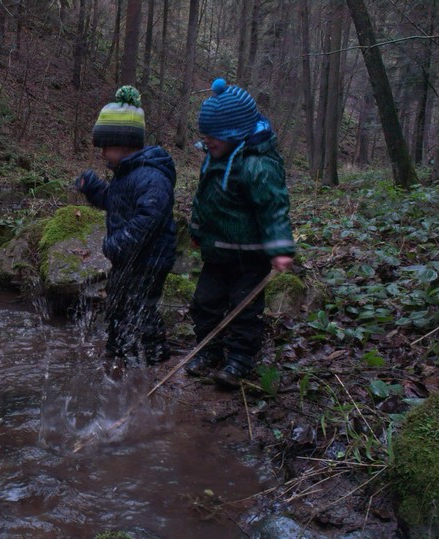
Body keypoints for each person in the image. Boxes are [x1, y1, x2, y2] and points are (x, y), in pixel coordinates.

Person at [185, 78, 295, 388]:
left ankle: (240, 359)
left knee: (244, 309)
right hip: (217, 253)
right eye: (205, 138)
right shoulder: (215, 158)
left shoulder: (258, 166)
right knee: (204, 302)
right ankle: (208, 349)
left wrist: (279, 248)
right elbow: (202, 200)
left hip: (250, 256)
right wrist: (197, 230)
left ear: (234, 134)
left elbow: (273, 208)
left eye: (213, 139)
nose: (207, 144)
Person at [74, 85, 177, 367]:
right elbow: (116, 203)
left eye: (106, 147)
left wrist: (118, 243)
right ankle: (117, 350)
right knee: (118, 302)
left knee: (141, 307)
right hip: (128, 257)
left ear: (123, 144)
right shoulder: (126, 174)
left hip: (149, 259)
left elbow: (148, 219)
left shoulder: (151, 177)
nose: (103, 153)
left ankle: (156, 357)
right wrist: (95, 190)